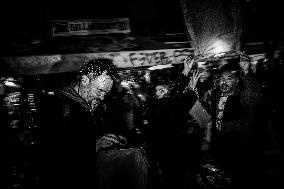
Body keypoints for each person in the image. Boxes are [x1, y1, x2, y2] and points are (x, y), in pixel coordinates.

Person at [39, 58, 150, 189]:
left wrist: (106, 139)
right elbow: (52, 153)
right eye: (100, 91)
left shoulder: (91, 104)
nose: (102, 97)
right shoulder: (58, 106)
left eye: (105, 93)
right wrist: (93, 145)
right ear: (85, 80)